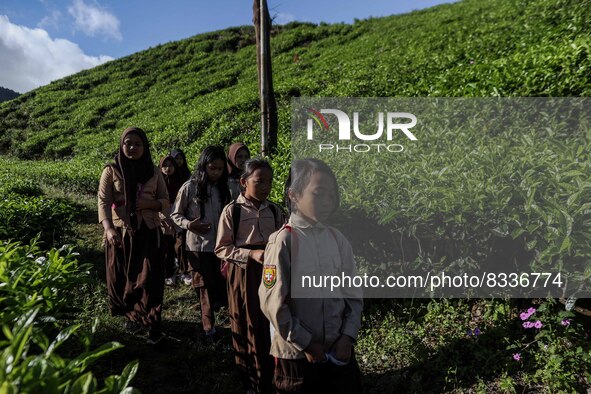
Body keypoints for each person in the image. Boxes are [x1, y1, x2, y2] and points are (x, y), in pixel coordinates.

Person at [259, 158, 363, 393]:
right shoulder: (283, 241)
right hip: (297, 356)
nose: (327, 202)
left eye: (331, 195)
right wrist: (306, 343)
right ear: (294, 195)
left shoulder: (338, 240)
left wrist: (348, 336)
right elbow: (273, 304)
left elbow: (353, 294)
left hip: (338, 350)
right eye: (319, 194)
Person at [215, 158, 284, 393]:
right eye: (259, 181)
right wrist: (250, 254)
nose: (266, 186)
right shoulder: (232, 211)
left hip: (269, 270)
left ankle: (272, 371)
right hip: (243, 273)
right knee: (247, 319)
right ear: (244, 182)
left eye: (269, 181)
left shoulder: (275, 210)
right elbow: (222, 248)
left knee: (270, 318)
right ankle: (250, 377)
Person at [98, 126, 169, 344]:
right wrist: (108, 228)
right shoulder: (111, 170)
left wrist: (151, 203)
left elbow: (166, 201)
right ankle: (131, 314)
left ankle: (150, 317)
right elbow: (103, 201)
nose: (132, 147)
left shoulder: (154, 172)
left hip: (148, 230)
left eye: (137, 144)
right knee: (122, 277)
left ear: (144, 147)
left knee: (150, 277)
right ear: (121, 145)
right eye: (128, 143)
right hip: (121, 231)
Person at [171, 145, 230, 340]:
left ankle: (226, 321)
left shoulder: (225, 188)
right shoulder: (190, 187)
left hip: (221, 246)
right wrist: (189, 225)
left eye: (220, 169)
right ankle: (208, 328)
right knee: (203, 287)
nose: (216, 172)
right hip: (197, 247)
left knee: (220, 286)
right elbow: (175, 215)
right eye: (212, 168)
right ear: (203, 166)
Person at [170, 148, 192, 285]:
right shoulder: (167, 173)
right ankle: (173, 267)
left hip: (183, 211)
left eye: (180, 158)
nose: (178, 161)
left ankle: (184, 269)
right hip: (168, 211)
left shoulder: (187, 174)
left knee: (181, 240)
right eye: (176, 158)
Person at [159, 155, 182, 285]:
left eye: (171, 165)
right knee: (166, 245)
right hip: (163, 214)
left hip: (177, 213)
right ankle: (169, 273)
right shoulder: (157, 181)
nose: (168, 168)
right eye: (165, 165)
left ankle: (181, 269)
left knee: (179, 243)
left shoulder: (179, 181)